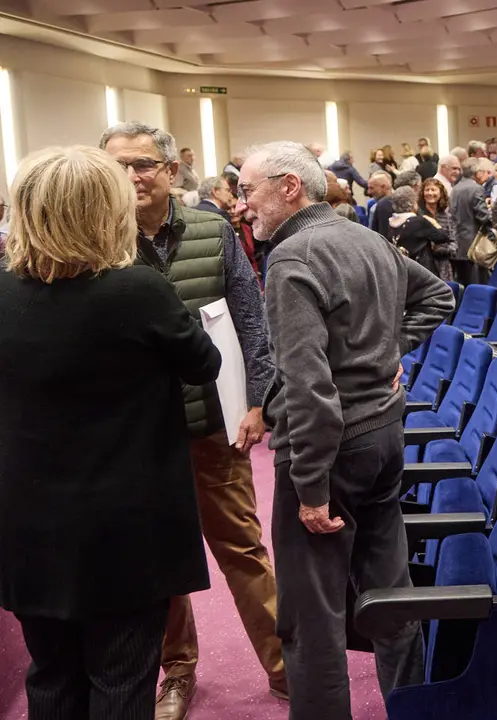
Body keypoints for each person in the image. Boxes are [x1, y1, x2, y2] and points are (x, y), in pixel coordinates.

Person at [0, 145, 221, 720]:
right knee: (121, 677)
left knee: (49, 676)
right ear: (108, 211)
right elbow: (204, 365)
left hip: (26, 524)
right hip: (124, 526)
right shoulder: (138, 291)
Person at [237, 140, 454, 720]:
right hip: (383, 436)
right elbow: (440, 295)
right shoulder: (368, 238)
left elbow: (308, 389)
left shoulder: (292, 258)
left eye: (247, 189)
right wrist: (390, 352)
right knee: (391, 595)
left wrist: (309, 488)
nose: (241, 204)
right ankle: (412, 708)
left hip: (330, 452)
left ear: (289, 187)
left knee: (312, 618)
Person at [99, 120, 283, 719]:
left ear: (171, 170)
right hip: (136, 440)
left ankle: (286, 667)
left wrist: (257, 400)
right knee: (160, 564)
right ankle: (176, 671)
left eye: (143, 164)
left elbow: (251, 321)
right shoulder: (98, 240)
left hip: (213, 426)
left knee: (243, 550)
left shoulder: (213, 231)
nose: (132, 176)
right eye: (119, 165)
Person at [449, 157, 493, 284]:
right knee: (476, 284)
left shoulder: (455, 188)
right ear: (477, 172)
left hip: (458, 243)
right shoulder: (476, 188)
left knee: (462, 283)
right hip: (473, 245)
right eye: (484, 171)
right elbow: (483, 216)